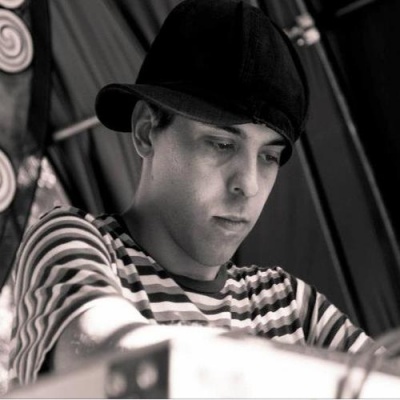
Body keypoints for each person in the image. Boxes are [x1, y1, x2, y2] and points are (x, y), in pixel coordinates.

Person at [10, 0, 376, 388]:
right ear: (146, 131)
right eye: (221, 144)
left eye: (269, 156)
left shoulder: (290, 303)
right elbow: (121, 367)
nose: (249, 184)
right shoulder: (74, 242)